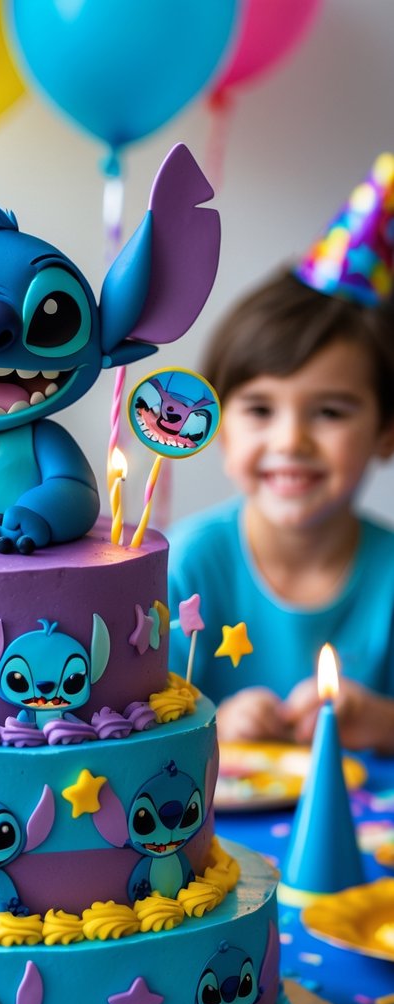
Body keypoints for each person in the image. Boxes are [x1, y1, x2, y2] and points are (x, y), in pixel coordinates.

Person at [168, 155, 394, 753]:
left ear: (386, 430)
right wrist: (214, 727)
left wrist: (381, 724)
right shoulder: (185, 568)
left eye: (330, 412)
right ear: (215, 423)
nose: (290, 441)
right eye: (261, 410)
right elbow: (136, 727)